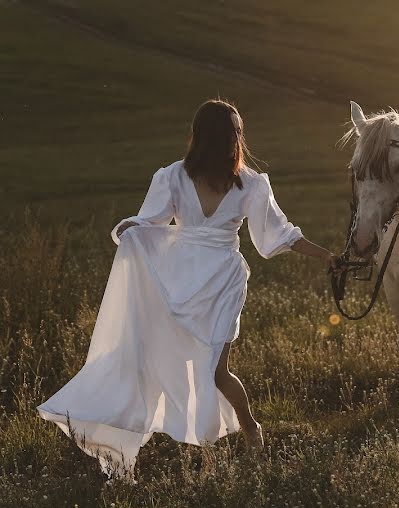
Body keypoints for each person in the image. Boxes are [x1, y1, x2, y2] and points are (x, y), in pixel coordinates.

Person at [37, 99, 337, 478]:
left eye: (235, 137)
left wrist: (325, 255)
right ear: (214, 140)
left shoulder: (252, 185)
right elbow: (151, 221)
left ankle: (250, 430)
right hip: (178, 283)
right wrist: (130, 230)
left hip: (223, 283)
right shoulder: (173, 177)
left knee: (215, 370)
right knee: (158, 362)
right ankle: (147, 442)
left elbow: (279, 235)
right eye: (230, 136)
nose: (234, 144)